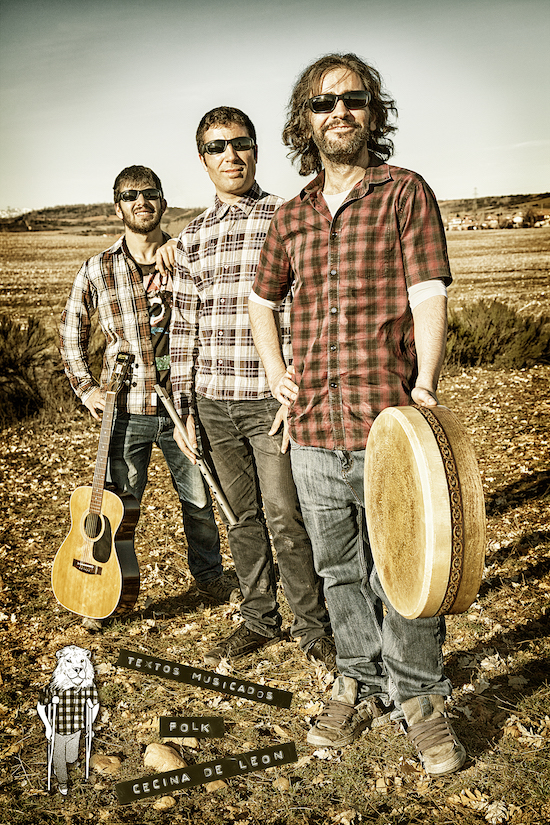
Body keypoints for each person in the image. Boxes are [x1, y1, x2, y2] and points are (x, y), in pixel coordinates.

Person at [249, 53, 466, 776]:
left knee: (407, 566)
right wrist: (277, 374)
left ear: (373, 112)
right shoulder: (291, 215)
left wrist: (425, 384)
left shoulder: (404, 192)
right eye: (322, 103)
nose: (338, 112)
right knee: (339, 570)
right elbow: (261, 301)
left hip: (389, 424)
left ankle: (421, 699)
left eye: (353, 99)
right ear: (304, 122)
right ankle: (358, 681)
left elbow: (428, 292)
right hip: (313, 429)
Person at [158, 106, 335, 670]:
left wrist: (295, 386)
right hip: (213, 402)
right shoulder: (193, 237)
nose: (230, 155)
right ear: (203, 159)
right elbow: (184, 329)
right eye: (217, 147)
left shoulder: (287, 216)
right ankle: (259, 617)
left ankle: (313, 626)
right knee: (240, 517)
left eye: (241, 143)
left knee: (286, 515)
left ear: (256, 149)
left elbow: (311, 309)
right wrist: (185, 410)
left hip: (269, 400)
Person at [60, 165, 238, 628]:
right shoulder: (97, 269)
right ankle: (108, 592)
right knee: (118, 508)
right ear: (117, 207)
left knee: (199, 501)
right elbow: (71, 333)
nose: (141, 201)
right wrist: (86, 389)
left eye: (150, 193)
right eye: (130, 195)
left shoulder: (185, 257)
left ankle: (210, 578)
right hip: (125, 409)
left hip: (183, 406)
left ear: (163, 201)